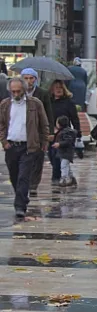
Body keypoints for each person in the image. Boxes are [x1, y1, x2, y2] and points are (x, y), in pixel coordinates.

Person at [0, 77, 50, 219]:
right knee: (14, 176)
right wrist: (4, 141)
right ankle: (22, 197)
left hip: (28, 146)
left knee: (23, 177)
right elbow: (1, 124)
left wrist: (44, 141)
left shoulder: (35, 104)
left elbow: (44, 123)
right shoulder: (5, 104)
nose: (16, 94)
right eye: (13, 92)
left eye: (18, 91)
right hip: (11, 146)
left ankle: (20, 206)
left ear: (24, 90)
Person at [22, 68, 54, 197]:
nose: (29, 81)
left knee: (38, 157)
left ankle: (34, 184)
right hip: (22, 131)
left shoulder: (43, 94)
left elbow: (49, 113)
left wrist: (49, 132)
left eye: (31, 78)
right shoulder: (18, 93)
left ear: (35, 79)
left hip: (38, 131)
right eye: (26, 78)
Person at [49, 80, 81, 184]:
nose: (58, 90)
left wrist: (77, 132)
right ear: (52, 89)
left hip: (64, 134)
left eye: (60, 87)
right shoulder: (49, 102)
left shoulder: (68, 103)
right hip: (51, 133)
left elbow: (75, 119)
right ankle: (69, 176)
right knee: (52, 156)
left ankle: (57, 178)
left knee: (59, 157)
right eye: (56, 87)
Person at [52, 115, 77, 187]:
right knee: (66, 166)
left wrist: (59, 144)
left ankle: (64, 179)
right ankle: (72, 178)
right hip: (63, 152)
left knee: (63, 166)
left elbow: (68, 141)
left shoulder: (67, 132)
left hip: (67, 152)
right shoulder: (62, 131)